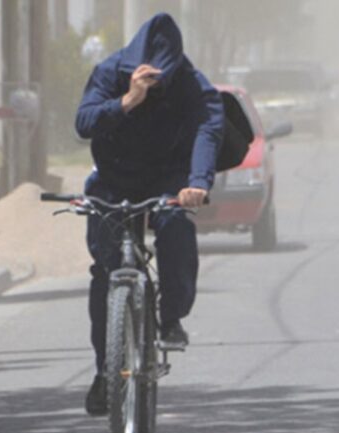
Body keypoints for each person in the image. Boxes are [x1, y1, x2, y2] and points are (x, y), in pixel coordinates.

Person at [74, 13, 224, 416]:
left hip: (166, 177)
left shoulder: (192, 84)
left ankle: (171, 314)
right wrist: (127, 101)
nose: (156, 86)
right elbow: (83, 123)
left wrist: (197, 183)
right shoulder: (110, 72)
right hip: (114, 176)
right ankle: (106, 371)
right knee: (105, 270)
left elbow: (208, 129)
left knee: (175, 225)